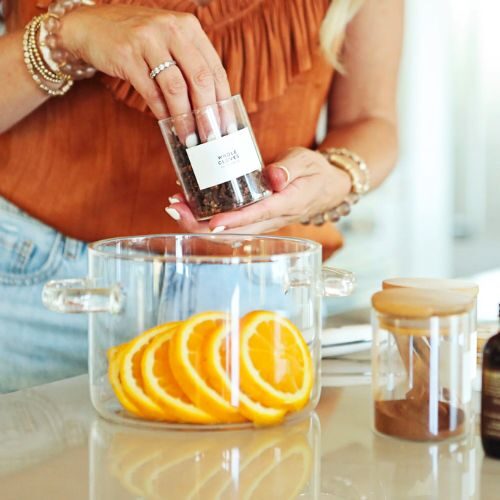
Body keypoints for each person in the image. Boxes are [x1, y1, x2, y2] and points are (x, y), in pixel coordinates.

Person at [0, 0, 402, 392]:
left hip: (257, 292)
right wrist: (65, 39)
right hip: (45, 288)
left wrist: (335, 178)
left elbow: (371, 121)